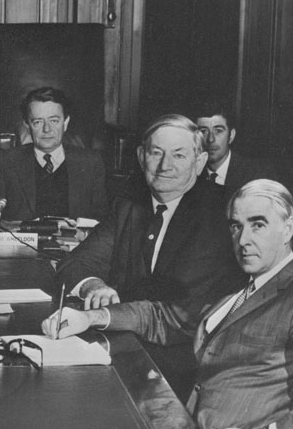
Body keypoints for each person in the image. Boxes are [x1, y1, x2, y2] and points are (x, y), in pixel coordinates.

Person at [43, 180, 293, 429]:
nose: (243, 239)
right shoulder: (245, 286)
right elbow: (167, 318)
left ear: (288, 226)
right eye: (235, 226)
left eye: (258, 225)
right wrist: (90, 317)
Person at [54, 114, 245, 398]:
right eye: (157, 153)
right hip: (124, 350)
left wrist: (101, 314)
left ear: (200, 161)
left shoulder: (220, 215)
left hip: (188, 369)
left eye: (179, 155)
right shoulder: (128, 206)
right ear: (142, 157)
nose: (165, 165)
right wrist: (95, 285)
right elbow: (75, 262)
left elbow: (178, 311)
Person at [0, 86, 108, 220]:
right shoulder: (6, 161)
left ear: (65, 123)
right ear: (27, 125)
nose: (47, 129)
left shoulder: (91, 162)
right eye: (37, 122)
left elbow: (103, 221)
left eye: (54, 121)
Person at [195, 102, 270, 197]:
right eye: (203, 131)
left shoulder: (256, 174)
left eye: (218, 131)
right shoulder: (190, 172)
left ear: (231, 136)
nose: (210, 139)